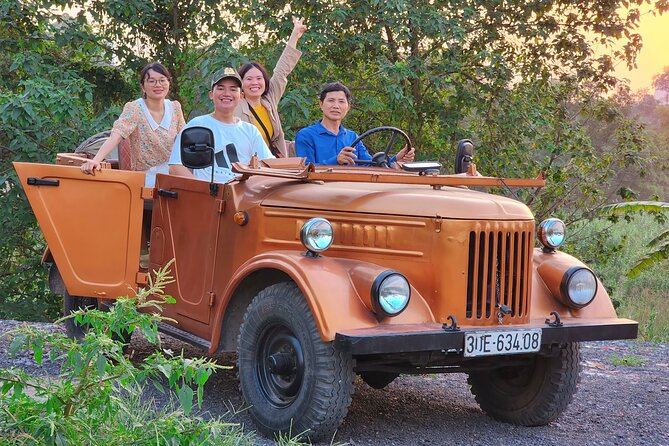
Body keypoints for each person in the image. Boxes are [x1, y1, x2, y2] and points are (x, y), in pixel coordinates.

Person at [80, 62, 185, 187]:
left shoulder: (175, 107)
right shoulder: (135, 108)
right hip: (148, 178)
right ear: (143, 86)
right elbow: (116, 135)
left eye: (162, 80)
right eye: (151, 81)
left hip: (176, 174)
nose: (158, 85)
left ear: (169, 83)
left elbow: (186, 138)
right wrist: (96, 161)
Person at [169, 67, 274, 183]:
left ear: (241, 96)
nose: (227, 94)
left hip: (242, 197)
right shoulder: (196, 126)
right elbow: (175, 167)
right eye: (220, 88)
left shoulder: (250, 131)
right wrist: (203, 189)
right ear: (211, 94)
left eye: (233, 89)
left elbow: (269, 165)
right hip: (206, 197)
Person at [295, 82, 415, 167]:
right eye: (331, 100)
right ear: (321, 104)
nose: (336, 106)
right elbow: (305, 169)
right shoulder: (306, 135)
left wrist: (396, 158)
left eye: (341, 101)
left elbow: (371, 164)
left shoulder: (352, 137)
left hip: (353, 193)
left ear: (348, 107)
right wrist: (336, 160)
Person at [235, 17, 307, 158]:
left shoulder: (269, 100)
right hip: (248, 165)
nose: (255, 83)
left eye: (259, 78)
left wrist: (294, 36)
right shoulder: (235, 105)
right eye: (249, 79)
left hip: (273, 162)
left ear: (265, 81)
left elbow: (282, 70)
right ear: (241, 83)